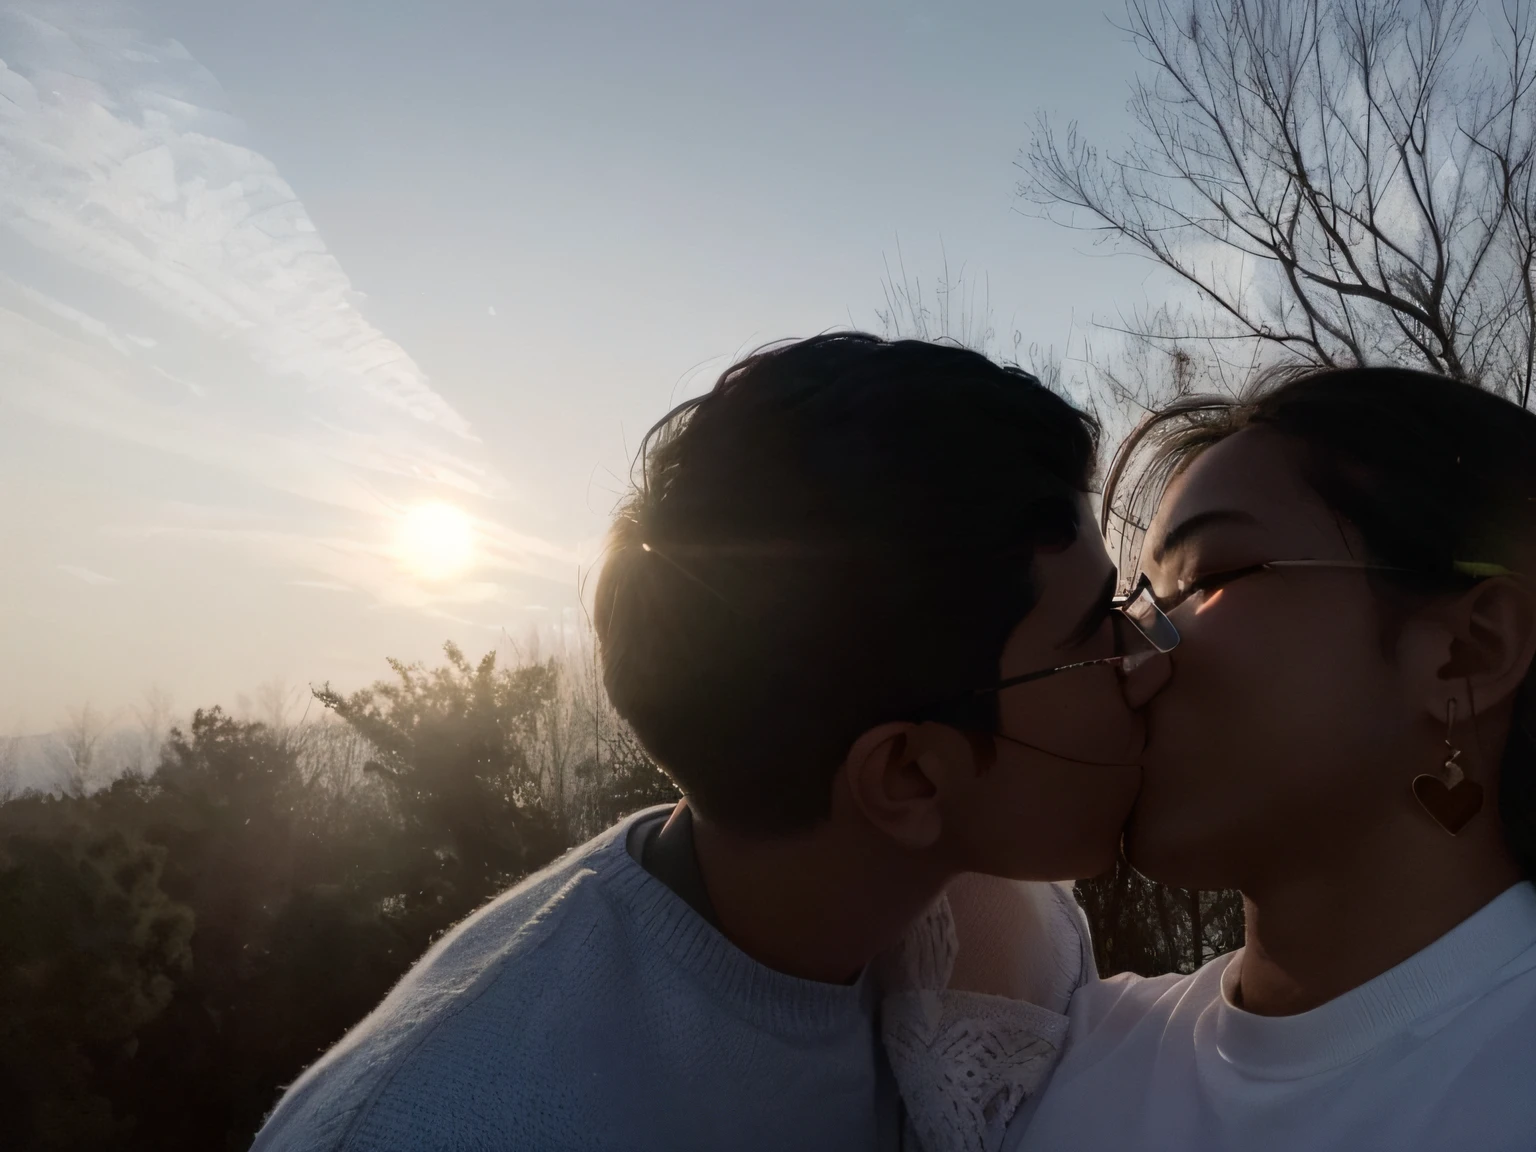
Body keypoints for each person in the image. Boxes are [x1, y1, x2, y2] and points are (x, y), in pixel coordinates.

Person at [249, 333, 1174, 1152]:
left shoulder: (1008, 943)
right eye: (1096, 633)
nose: (1150, 661)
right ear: (906, 775)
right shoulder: (446, 1120)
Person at [1009, 366, 1536, 1152]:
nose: (1133, 662)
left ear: (1466, 653)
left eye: (1209, 578)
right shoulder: (1059, 1054)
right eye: (1143, 605)